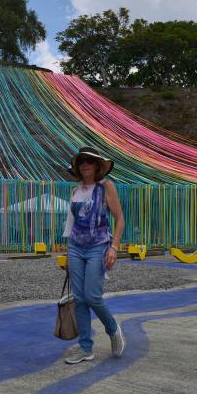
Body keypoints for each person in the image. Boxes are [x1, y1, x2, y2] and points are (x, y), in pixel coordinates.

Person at [62, 146, 126, 364]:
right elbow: (70, 225)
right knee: (79, 299)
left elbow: (120, 220)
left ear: (97, 165)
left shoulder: (106, 186)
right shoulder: (75, 191)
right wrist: (66, 255)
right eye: (81, 162)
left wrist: (114, 248)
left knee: (92, 296)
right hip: (75, 248)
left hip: (99, 246)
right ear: (78, 167)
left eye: (89, 161)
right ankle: (85, 348)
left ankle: (112, 328)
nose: (85, 164)